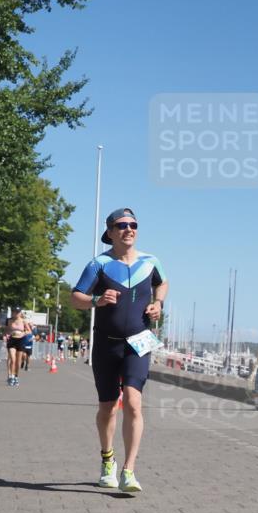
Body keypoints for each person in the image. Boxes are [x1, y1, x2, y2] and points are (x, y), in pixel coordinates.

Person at [70, 208, 167, 493]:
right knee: (108, 407)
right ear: (110, 232)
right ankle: (107, 459)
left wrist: (158, 303)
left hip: (139, 343)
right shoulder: (99, 264)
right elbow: (75, 297)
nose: (129, 229)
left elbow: (162, 283)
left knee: (134, 403)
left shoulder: (151, 262)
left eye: (133, 224)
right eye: (122, 225)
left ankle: (129, 470)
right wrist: (96, 300)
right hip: (106, 343)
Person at [4, 308, 31, 385]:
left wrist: (23, 333)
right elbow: (6, 330)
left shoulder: (23, 321)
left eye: (17, 312)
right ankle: (11, 376)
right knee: (13, 359)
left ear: (20, 313)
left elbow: (29, 331)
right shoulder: (9, 320)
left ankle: (16, 376)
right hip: (12, 340)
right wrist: (6, 335)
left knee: (18, 361)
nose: (16, 314)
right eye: (14, 312)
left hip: (20, 340)